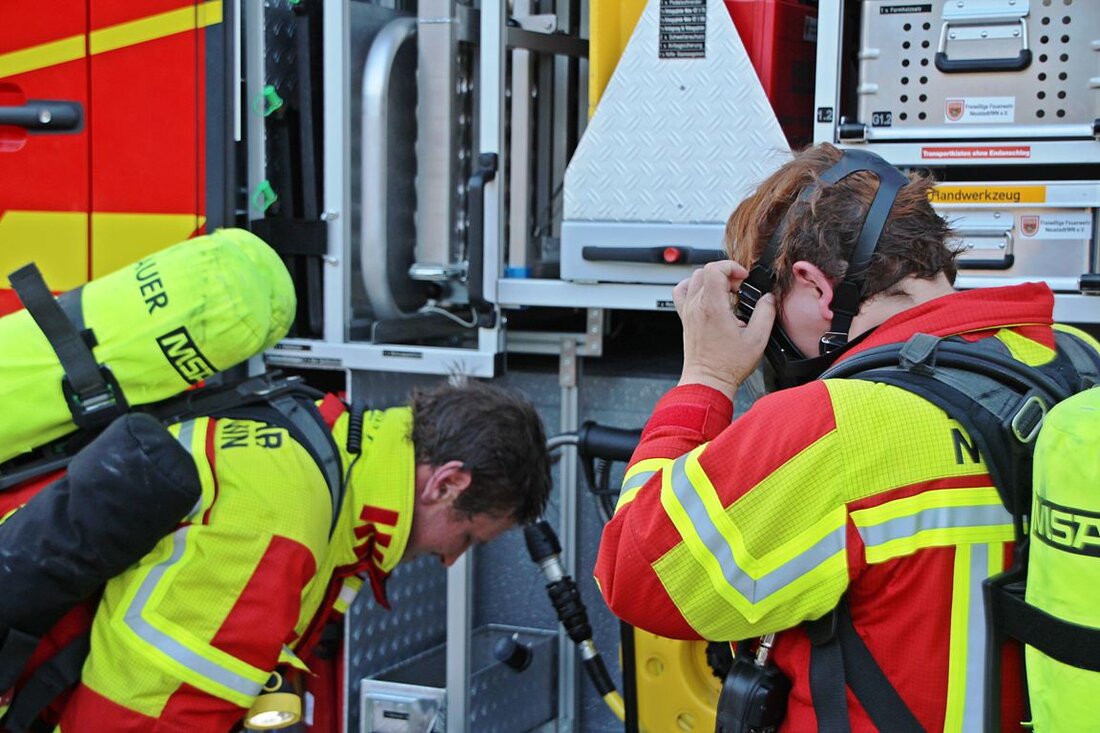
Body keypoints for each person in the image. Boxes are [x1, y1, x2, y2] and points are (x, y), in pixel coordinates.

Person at [593, 143, 1100, 732]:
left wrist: (704, 378)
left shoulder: (831, 424)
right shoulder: (1077, 361)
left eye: (764, 300)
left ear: (813, 286)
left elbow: (636, 571)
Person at [6, 378, 552, 732]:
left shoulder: (321, 448)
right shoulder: (284, 516)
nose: (451, 559)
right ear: (448, 484)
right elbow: (143, 717)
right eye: (467, 538)